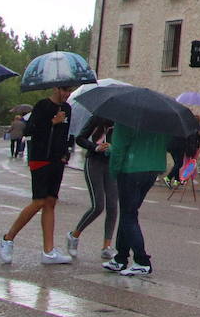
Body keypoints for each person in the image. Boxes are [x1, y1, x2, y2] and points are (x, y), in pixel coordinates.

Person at [0, 85, 75, 266]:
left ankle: (48, 251)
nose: (67, 94)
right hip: (40, 157)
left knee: (50, 202)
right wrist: (52, 122)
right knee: (39, 201)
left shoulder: (67, 108)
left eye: (69, 91)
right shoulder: (42, 106)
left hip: (57, 159)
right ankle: (8, 238)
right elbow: (29, 130)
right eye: (64, 90)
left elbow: (66, 134)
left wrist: (66, 153)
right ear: (56, 89)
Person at [103, 121, 167, 276]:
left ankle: (142, 260)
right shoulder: (160, 121)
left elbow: (119, 148)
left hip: (131, 169)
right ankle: (120, 258)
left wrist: (113, 168)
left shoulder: (125, 120)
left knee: (128, 216)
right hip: (152, 168)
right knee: (128, 213)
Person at [65, 117, 118, 261]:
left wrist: (113, 147)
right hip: (94, 162)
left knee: (113, 206)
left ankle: (106, 247)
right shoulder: (96, 118)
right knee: (98, 205)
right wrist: (95, 147)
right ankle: (74, 235)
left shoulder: (121, 122)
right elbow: (80, 139)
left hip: (111, 164)